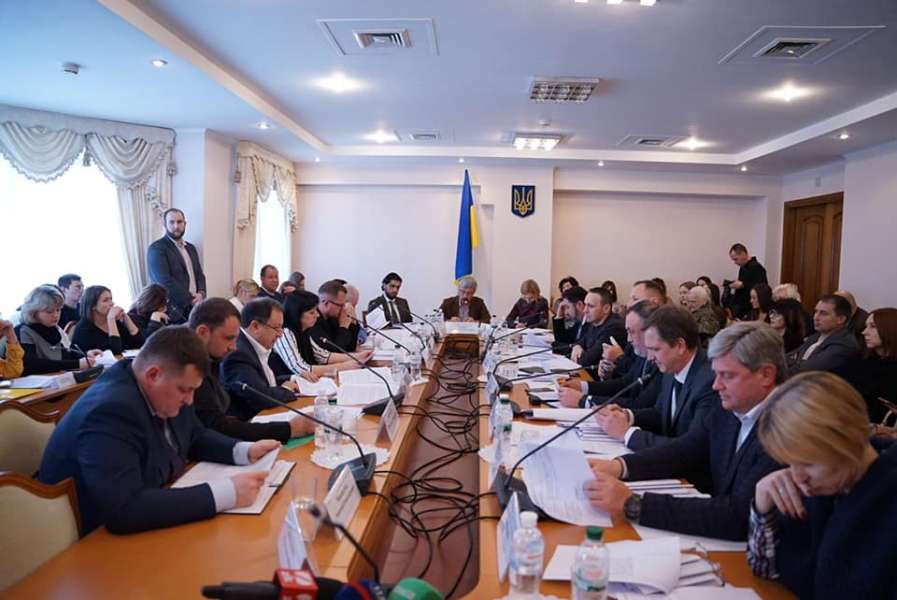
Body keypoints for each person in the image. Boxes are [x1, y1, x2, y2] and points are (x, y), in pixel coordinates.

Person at [38, 326, 279, 535]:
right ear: (153, 375)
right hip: (90, 542)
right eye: (185, 390)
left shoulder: (164, 385)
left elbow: (194, 435)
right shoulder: (110, 411)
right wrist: (227, 493)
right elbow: (124, 509)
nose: (189, 400)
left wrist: (244, 451)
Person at [585, 322, 784, 540]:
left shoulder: (786, 428)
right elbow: (686, 450)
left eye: (727, 375)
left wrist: (634, 504)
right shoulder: (731, 407)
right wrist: (620, 466)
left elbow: (738, 514)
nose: (716, 385)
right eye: (716, 374)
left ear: (766, 375)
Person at [747, 371, 897, 599]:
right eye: (790, 463)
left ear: (847, 439)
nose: (797, 477)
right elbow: (766, 570)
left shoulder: (885, 502)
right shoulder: (822, 490)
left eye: (807, 463)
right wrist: (763, 506)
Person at [188, 298, 313, 443]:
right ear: (202, 332)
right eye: (229, 338)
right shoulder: (191, 368)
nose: (233, 347)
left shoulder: (213, 358)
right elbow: (217, 425)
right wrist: (290, 429)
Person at [596, 305, 717, 451]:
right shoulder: (671, 367)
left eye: (655, 349)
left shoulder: (709, 382)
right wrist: (627, 415)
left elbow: (691, 448)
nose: (650, 358)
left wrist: (627, 434)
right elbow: (660, 414)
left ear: (680, 346)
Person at [559, 300, 660, 410]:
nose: (629, 339)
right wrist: (583, 386)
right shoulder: (642, 354)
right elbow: (624, 383)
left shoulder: (660, 362)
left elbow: (639, 404)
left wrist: (584, 401)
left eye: (632, 332)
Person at [219, 298, 301, 421]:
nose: (280, 334)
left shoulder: (254, 345)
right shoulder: (238, 353)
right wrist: (286, 389)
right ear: (255, 326)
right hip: (250, 422)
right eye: (276, 328)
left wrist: (292, 378)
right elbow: (260, 397)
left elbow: (261, 381)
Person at [274, 290, 372, 379]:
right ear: (297, 314)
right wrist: (344, 366)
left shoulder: (303, 331)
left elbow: (322, 356)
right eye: (312, 312)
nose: (317, 315)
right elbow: (301, 369)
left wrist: (357, 356)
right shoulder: (284, 332)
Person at [15, 285, 100, 374]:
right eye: (49, 311)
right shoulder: (23, 331)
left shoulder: (55, 329)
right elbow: (31, 364)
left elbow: (68, 354)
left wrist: (86, 355)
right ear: (33, 312)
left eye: (58, 310)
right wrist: (76, 364)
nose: (56, 315)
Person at [146, 208, 207, 323]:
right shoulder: (157, 248)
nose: (176, 226)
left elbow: (199, 274)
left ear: (185, 224)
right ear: (165, 224)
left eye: (179, 222)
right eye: (172, 222)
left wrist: (201, 293)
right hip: (173, 312)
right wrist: (191, 299)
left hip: (196, 307)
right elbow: (163, 281)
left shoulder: (191, 248)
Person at [787, 294, 860, 378]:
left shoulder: (844, 344)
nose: (815, 317)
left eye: (823, 313)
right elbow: (789, 357)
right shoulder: (815, 336)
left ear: (840, 319)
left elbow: (807, 370)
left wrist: (778, 371)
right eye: (816, 311)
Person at [848, 308, 897, 422]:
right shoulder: (858, 358)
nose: (864, 332)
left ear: (890, 329)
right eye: (866, 326)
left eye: (872, 326)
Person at [72, 285, 145, 355]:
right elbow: (116, 353)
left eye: (111, 299)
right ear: (93, 306)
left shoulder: (116, 322)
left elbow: (141, 344)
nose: (112, 303)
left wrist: (126, 318)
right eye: (105, 300)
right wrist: (111, 319)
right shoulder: (83, 328)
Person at [570, 288, 626, 368]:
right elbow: (580, 341)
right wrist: (577, 346)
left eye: (590, 306)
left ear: (606, 308)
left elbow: (588, 360)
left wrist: (576, 353)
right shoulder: (594, 322)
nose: (585, 310)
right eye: (585, 305)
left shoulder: (614, 327)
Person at [308, 280, 357, 353]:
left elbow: (350, 347)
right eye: (340, 305)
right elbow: (334, 352)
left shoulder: (333, 318)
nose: (343, 309)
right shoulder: (313, 321)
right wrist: (343, 327)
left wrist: (352, 323)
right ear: (326, 303)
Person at [727, 243, 768, 320]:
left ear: (743, 254)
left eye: (736, 259)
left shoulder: (756, 267)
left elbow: (763, 287)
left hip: (750, 306)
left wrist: (743, 285)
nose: (735, 262)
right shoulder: (743, 267)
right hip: (742, 305)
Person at [552, 285, 587, 351]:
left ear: (579, 305)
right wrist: (559, 316)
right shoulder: (579, 322)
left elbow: (582, 350)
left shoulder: (591, 324)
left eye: (567, 307)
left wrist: (566, 347)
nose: (565, 312)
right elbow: (562, 340)